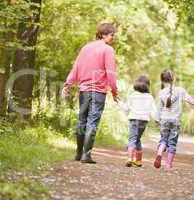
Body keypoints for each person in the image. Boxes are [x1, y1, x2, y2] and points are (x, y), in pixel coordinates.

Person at [62, 23, 119, 164]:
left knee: (82, 120)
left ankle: (78, 153)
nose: (113, 37)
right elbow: (110, 72)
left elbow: (76, 67)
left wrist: (67, 83)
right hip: (98, 91)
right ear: (104, 34)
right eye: (112, 34)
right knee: (92, 122)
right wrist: (114, 91)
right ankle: (86, 155)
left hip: (84, 90)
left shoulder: (86, 48)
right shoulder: (108, 50)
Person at [154, 69, 194, 169]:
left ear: (162, 81)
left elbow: (158, 109)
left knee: (163, 140)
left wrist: (157, 120)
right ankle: (168, 164)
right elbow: (191, 101)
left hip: (164, 120)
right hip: (175, 121)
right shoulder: (181, 90)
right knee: (172, 143)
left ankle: (160, 153)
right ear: (173, 79)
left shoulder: (161, 92)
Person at [118, 75, 158, 167]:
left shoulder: (133, 95)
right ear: (148, 85)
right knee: (137, 139)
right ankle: (138, 161)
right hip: (144, 121)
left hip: (134, 119)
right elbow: (153, 110)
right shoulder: (149, 97)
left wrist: (119, 102)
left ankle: (129, 158)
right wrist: (157, 119)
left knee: (132, 139)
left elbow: (126, 107)